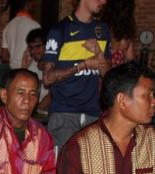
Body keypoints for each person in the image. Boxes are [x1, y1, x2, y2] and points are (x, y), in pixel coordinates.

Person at [42, 0, 112, 149]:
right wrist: (83, 65)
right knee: (63, 170)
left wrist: (99, 55)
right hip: (64, 114)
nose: (103, 1)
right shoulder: (60, 30)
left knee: (89, 171)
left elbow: (109, 78)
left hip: (93, 115)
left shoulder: (103, 30)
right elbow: (47, 79)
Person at [2, 0, 41, 69]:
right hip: (32, 73)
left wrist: (15, 63)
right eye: (33, 4)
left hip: (14, 72)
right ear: (28, 4)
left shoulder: (8, 26)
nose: (34, 7)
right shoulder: (35, 26)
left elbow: (4, 56)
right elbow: (40, 53)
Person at [22, 28, 51, 110]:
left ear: (47, 45)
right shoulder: (30, 65)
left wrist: (36, 112)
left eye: (38, 46)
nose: (34, 51)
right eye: (31, 48)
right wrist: (24, 68)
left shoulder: (54, 66)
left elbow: (52, 95)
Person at [101, 0, 136, 67]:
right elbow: (131, 62)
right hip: (117, 75)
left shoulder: (101, 27)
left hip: (101, 74)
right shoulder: (126, 34)